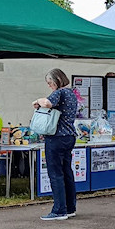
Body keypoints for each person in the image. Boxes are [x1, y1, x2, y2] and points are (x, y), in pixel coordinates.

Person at [32, 68, 78, 220]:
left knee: (55, 174)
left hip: (56, 137)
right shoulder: (72, 93)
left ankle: (59, 210)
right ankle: (70, 207)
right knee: (67, 172)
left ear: (57, 80)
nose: (49, 86)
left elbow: (46, 103)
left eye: (50, 83)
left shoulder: (59, 92)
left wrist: (37, 101)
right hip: (70, 136)